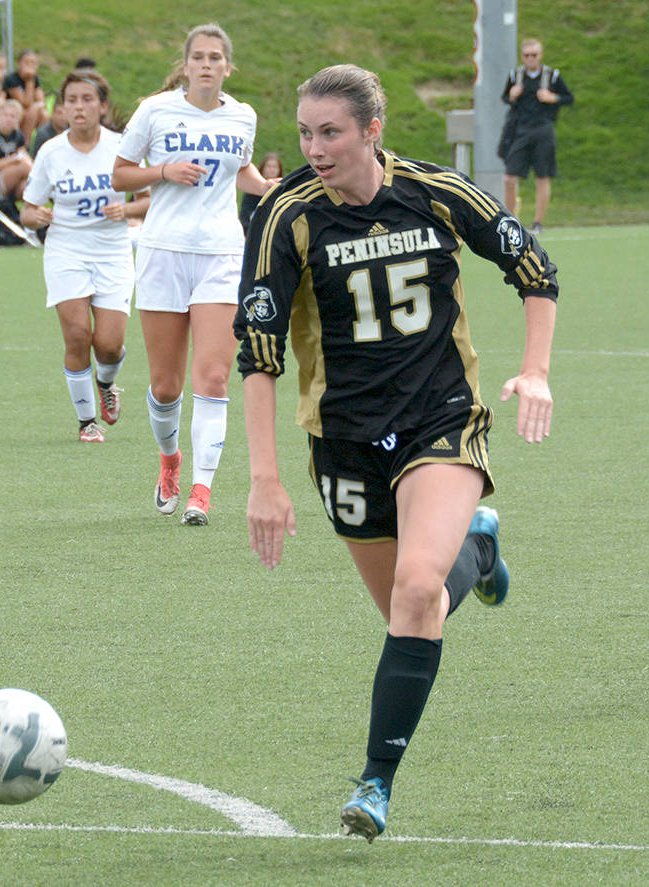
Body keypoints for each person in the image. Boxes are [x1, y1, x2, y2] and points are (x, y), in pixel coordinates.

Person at [237, 63, 558, 841]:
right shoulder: (286, 216)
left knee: (416, 593)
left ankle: (376, 782)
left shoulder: (437, 191)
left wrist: (536, 369)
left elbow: (534, 267)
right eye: (306, 132)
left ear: (372, 131)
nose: (314, 147)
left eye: (331, 132)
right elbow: (258, 347)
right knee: (411, 612)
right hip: (342, 439)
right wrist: (265, 477)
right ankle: (477, 552)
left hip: (439, 421)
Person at [112, 22, 276, 525]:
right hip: (162, 252)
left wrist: (269, 188)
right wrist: (164, 171)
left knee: (214, 376)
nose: (207, 64)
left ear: (228, 67)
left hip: (223, 254)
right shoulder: (156, 110)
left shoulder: (242, 116)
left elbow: (240, 172)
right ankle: (170, 463)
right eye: (199, 57)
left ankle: (201, 491)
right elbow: (120, 175)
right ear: (186, 66)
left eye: (215, 58)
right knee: (166, 387)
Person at [21, 70, 148, 443]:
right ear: (62, 108)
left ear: (102, 106)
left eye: (87, 99)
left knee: (108, 345)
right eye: (71, 100)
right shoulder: (51, 151)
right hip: (66, 252)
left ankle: (106, 382)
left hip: (112, 252)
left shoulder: (122, 148)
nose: (79, 107)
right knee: (78, 336)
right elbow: (27, 210)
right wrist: (38, 215)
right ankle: (86, 421)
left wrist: (126, 211)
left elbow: (150, 200)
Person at [498, 37, 572, 234]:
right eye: (526, 55)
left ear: (541, 55)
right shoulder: (516, 76)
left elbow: (568, 98)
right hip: (520, 129)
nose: (530, 59)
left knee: (542, 176)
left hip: (543, 129)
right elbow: (505, 97)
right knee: (509, 178)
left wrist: (552, 97)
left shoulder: (552, 76)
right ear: (522, 56)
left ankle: (538, 222)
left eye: (534, 55)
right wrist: (512, 95)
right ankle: (512, 220)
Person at [3, 49, 46, 141]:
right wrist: (29, 82)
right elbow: (25, 103)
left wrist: (39, 106)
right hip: (14, 111)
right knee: (33, 110)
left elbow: (41, 101)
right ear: (19, 63)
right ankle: (26, 144)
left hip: (29, 112)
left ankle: (42, 144)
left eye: (33, 63)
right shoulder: (12, 79)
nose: (30, 65)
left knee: (44, 114)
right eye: (26, 62)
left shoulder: (35, 78)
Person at [237, 149, 280, 231]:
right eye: (269, 166)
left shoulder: (283, 191)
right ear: (262, 168)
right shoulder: (251, 192)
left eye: (275, 167)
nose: (272, 170)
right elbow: (244, 219)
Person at [30, 93, 65, 157]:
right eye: (59, 113)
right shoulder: (43, 133)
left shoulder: (70, 132)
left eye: (66, 114)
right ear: (53, 114)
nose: (63, 117)